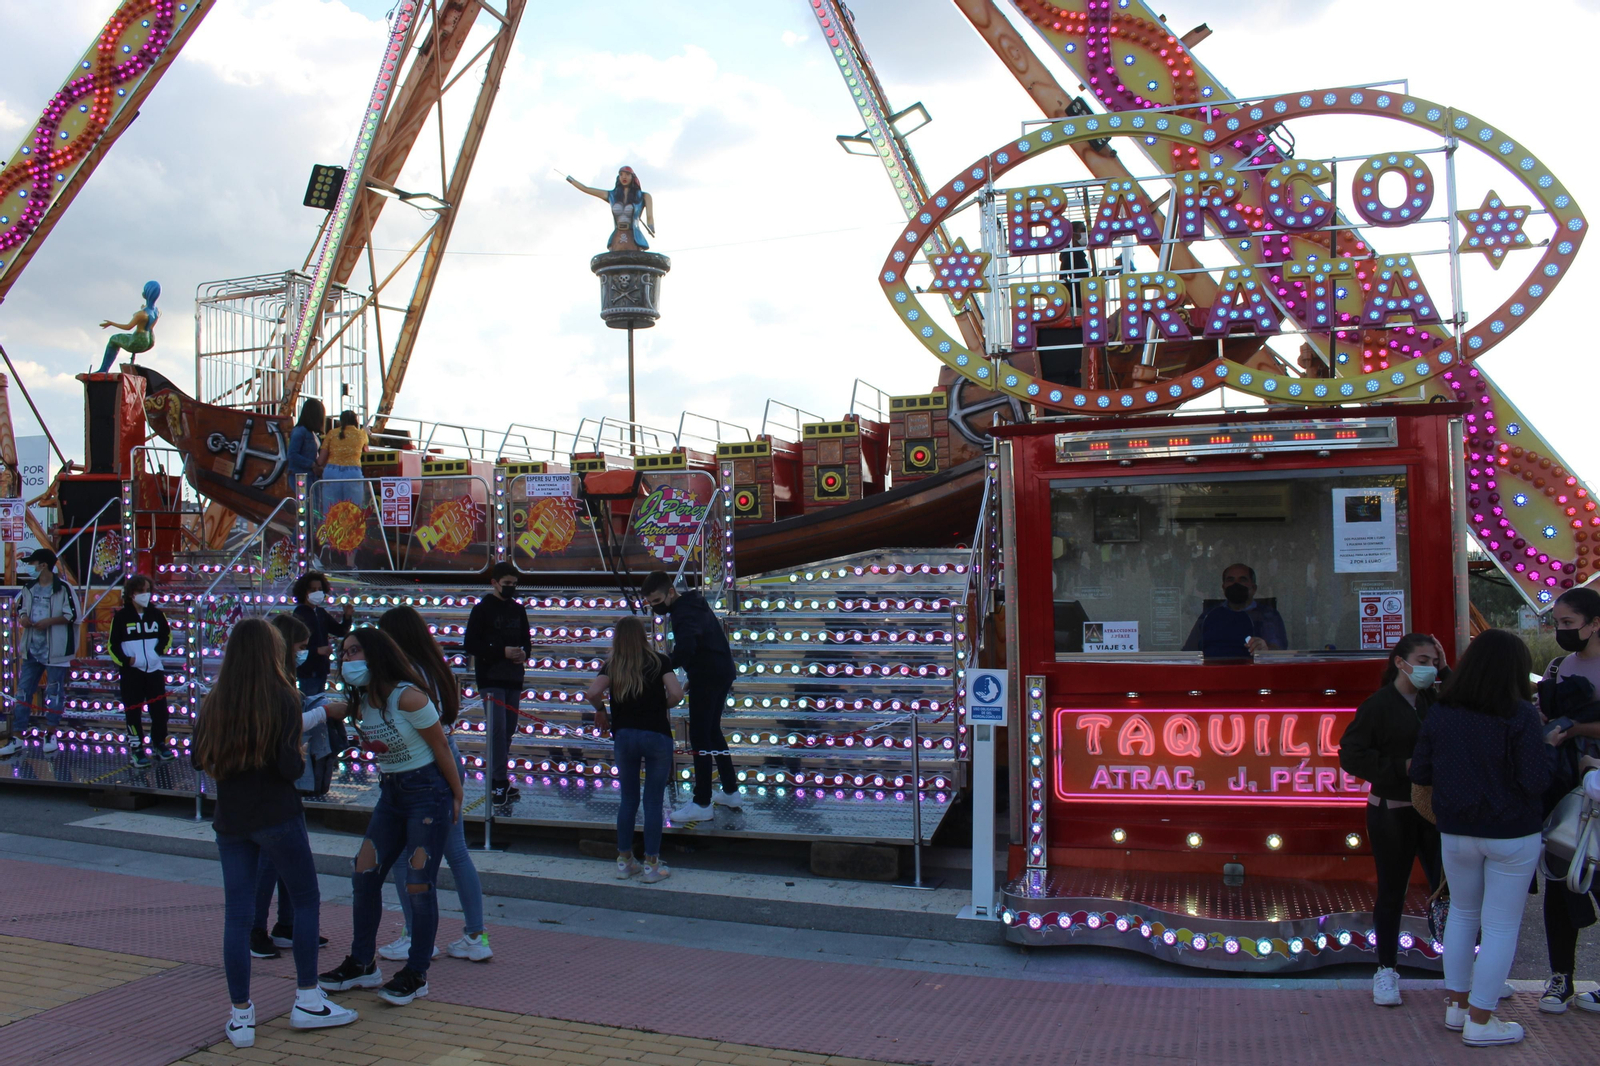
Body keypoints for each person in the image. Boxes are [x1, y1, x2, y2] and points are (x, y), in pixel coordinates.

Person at [192, 618, 357, 1048]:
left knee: (238, 915)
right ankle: (307, 997)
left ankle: (241, 1015)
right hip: (278, 815)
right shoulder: (284, 698)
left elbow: (197, 757)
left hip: (230, 817)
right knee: (304, 900)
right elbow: (289, 769)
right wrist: (298, 752)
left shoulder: (215, 700)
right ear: (272, 652)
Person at [1409, 629, 1556, 1047]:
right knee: (1500, 926)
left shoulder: (1442, 711)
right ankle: (1482, 1019)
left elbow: (1420, 773)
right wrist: (1548, 744)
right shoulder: (1520, 714)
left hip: (1455, 831)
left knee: (1461, 915)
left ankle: (1456, 1007)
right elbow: (1534, 780)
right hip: (1512, 833)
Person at [319, 628, 463, 1007]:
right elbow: (334, 709)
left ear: (377, 654)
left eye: (355, 651)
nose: (348, 659)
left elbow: (441, 746)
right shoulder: (363, 700)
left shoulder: (409, 697)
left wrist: (457, 795)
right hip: (392, 793)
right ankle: (362, 962)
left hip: (427, 792)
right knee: (364, 873)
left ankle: (417, 973)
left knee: (418, 882)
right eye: (345, 653)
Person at [376, 605, 492, 962]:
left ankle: (414, 934)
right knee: (455, 850)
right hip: (447, 752)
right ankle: (476, 934)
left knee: (401, 853)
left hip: (421, 762)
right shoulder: (436, 667)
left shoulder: (405, 676)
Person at [1339, 632, 1446, 1007]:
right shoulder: (1378, 706)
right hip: (1392, 811)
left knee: (1447, 891)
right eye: (1422, 660)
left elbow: (1466, 699)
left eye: (1433, 661)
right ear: (1400, 662)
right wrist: (1400, 767)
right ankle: (1386, 970)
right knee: (1392, 892)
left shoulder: (1436, 699)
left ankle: (1464, 969)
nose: (1428, 668)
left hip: (1435, 811)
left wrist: (1445, 667)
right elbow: (1351, 755)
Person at [250, 613, 338, 959]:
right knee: (271, 859)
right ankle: (257, 927)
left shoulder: (281, 680)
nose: (304, 653)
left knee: (291, 855)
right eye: (301, 647)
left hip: (285, 780)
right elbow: (280, 727)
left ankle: (286, 924)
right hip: (270, 782)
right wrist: (322, 714)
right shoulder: (266, 685)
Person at [1536, 585, 1600, 1015]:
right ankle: (1560, 976)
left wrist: (1575, 729)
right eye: (1557, 624)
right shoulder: (1558, 667)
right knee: (1559, 883)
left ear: (1595, 624)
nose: (1562, 631)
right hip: (1564, 789)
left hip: (1595, 783)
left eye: (1569, 624)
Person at [586, 615, 683, 883]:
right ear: (643, 636)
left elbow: (592, 693)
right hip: (656, 736)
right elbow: (677, 693)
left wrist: (601, 711)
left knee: (628, 799)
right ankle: (652, 864)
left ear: (617, 638)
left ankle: (624, 861)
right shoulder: (659, 661)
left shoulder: (612, 665)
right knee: (653, 801)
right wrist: (660, 706)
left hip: (625, 736)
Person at [641, 571, 741, 823]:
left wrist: (664, 670)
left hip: (708, 677)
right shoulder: (693, 604)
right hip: (720, 671)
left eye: (657, 601)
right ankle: (730, 790)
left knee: (699, 736)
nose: (655, 607)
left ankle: (702, 801)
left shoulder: (683, 612)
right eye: (651, 603)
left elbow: (686, 648)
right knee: (712, 732)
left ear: (670, 593)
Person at [462, 563, 530, 805]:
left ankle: (500, 778)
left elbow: (527, 641)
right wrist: (501, 651)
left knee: (508, 729)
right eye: (507, 584)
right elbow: (470, 644)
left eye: (514, 584)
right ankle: (498, 781)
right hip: (490, 677)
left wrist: (524, 654)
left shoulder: (518, 610)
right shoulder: (481, 610)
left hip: (513, 677)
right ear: (494, 582)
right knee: (498, 729)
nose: (511, 588)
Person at [1, 548, 78, 757]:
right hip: (32, 650)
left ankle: (51, 733)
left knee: (54, 692)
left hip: (56, 651)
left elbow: (73, 615)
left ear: (43, 565)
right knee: (23, 691)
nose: (30, 567)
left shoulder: (64, 588)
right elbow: (21, 609)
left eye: (32, 563)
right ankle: (17, 736)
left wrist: (50, 622)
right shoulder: (28, 588)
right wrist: (24, 618)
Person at [107, 573, 172, 767]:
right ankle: (136, 749)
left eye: (148, 591)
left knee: (160, 711)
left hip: (154, 670)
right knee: (133, 712)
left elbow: (166, 636)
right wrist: (127, 661)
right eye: (141, 591)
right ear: (131, 594)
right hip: (131, 673)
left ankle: (159, 742)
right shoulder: (121, 617)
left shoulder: (157, 614)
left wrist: (156, 653)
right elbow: (112, 644)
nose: (145, 595)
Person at [1181, 563, 1288, 658]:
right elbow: (1189, 652)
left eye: (1242, 579)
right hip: (1212, 674)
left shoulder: (1267, 615)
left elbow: (1279, 650)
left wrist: (1266, 650)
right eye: (1230, 580)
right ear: (1223, 587)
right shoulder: (1209, 615)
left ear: (1253, 588)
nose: (1236, 584)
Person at [292, 571, 353, 697]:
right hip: (307, 671)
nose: (317, 592)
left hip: (321, 669)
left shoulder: (320, 612)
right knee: (310, 704)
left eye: (319, 589)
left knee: (319, 702)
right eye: (313, 589)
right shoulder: (300, 614)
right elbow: (295, 645)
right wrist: (317, 650)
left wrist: (347, 617)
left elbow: (340, 631)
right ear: (304, 592)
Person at [566, 166, 656, 251]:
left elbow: (649, 216)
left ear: (633, 177)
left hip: (634, 234)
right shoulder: (612, 195)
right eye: (621, 174)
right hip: (617, 233)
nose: (624, 177)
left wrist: (651, 226)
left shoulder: (644, 196)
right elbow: (586, 189)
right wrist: (570, 179)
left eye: (627, 174)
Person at [95, 280, 160, 373]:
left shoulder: (141, 314)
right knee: (125, 336)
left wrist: (112, 323)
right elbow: (149, 316)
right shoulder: (156, 311)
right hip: (150, 339)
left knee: (113, 339)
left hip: (138, 340)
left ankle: (104, 369)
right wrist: (143, 308)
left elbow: (128, 327)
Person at [316, 410, 368, 511]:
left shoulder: (332, 433)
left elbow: (321, 460)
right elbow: (366, 451)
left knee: (331, 510)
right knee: (353, 510)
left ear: (341, 421)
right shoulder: (361, 434)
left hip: (332, 472)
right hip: (353, 473)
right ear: (356, 421)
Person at [288, 397, 325, 490]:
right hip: (302, 476)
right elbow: (292, 454)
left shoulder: (310, 433)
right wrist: (312, 465)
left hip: (310, 477)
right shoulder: (300, 431)